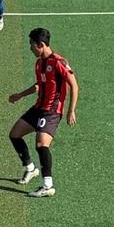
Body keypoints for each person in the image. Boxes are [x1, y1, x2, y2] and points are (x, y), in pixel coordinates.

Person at [6, 27, 79, 198]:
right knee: (15, 134)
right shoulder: (39, 63)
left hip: (51, 111)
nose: (30, 48)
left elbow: (74, 85)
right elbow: (39, 85)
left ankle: (48, 186)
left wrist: (71, 110)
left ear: (41, 45)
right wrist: (20, 95)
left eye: (32, 44)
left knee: (41, 144)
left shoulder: (59, 62)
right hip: (39, 107)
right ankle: (30, 169)